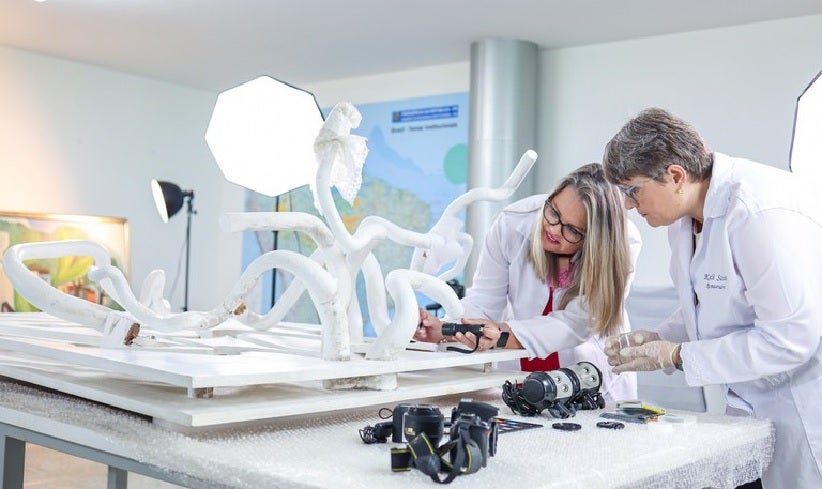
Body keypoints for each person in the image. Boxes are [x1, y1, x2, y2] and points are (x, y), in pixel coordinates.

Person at [601, 107, 822, 488]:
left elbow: (790, 339)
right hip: (751, 406)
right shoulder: (685, 218)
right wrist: (660, 337)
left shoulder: (756, 212)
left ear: (675, 175)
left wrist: (677, 355)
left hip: (802, 406)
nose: (629, 205)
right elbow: (710, 301)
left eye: (632, 190)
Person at [414, 163, 642, 401]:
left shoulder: (622, 244)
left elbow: (578, 322)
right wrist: (446, 329)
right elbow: (484, 301)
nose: (553, 229)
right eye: (554, 212)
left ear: (594, 240)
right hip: (522, 366)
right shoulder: (513, 223)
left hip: (585, 371)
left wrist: (503, 335)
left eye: (573, 230)